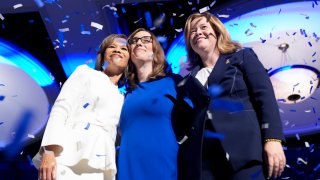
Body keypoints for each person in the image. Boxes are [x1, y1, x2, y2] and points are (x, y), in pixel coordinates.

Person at [178, 12, 286, 180]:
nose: (198, 32)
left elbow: (264, 97)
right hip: (205, 165)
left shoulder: (242, 57)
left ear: (217, 31)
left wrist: (272, 139)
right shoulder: (188, 82)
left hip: (246, 155)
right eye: (192, 31)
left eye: (203, 27)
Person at [32, 34, 130, 180]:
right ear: (102, 56)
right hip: (66, 158)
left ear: (129, 61)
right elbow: (61, 108)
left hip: (102, 166)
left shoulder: (123, 98)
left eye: (124, 48)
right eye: (112, 46)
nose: (117, 50)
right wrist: (49, 151)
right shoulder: (85, 73)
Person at [117, 28, 188, 180]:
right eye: (134, 41)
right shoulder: (123, 95)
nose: (139, 43)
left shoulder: (173, 82)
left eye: (146, 39)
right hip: (129, 169)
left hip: (165, 166)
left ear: (155, 49)